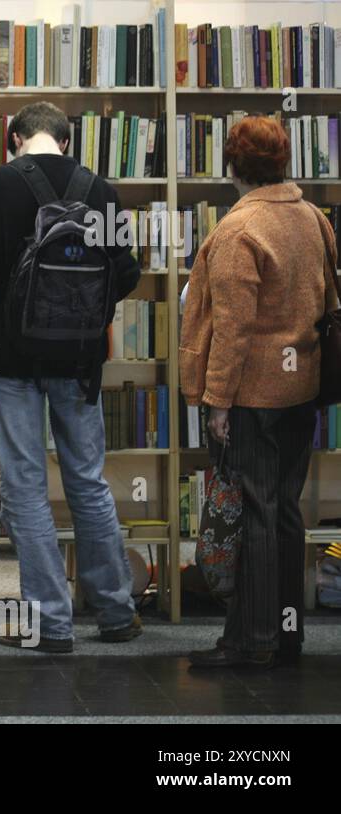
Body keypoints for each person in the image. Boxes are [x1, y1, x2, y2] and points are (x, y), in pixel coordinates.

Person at [0, 101, 143, 652]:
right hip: (80, 362)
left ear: (14, 139)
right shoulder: (99, 190)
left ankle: (50, 624)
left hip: (9, 361)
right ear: (66, 140)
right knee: (87, 481)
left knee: (26, 488)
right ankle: (115, 612)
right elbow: (125, 274)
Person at [180, 115, 338, 670]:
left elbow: (233, 328)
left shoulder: (238, 231)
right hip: (303, 388)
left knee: (255, 514)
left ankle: (252, 640)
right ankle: (288, 632)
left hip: (252, 396)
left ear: (232, 166)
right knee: (286, 511)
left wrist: (216, 399)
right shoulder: (312, 218)